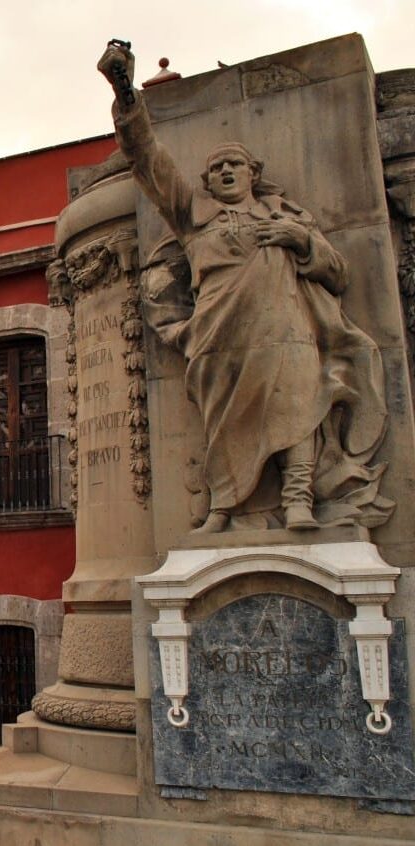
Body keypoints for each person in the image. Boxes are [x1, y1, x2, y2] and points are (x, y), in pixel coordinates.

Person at [97, 42, 391, 533]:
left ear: (253, 173)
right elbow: (148, 159)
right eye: (216, 168)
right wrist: (126, 92)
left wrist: (301, 242)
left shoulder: (288, 217)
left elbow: (337, 273)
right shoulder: (196, 218)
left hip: (286, 329)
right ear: (207, 182)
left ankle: (298, 497)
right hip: (219, 335)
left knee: (299, 405)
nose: (226, 171)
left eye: (235, 164)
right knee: (223, 423)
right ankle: (224, 508)